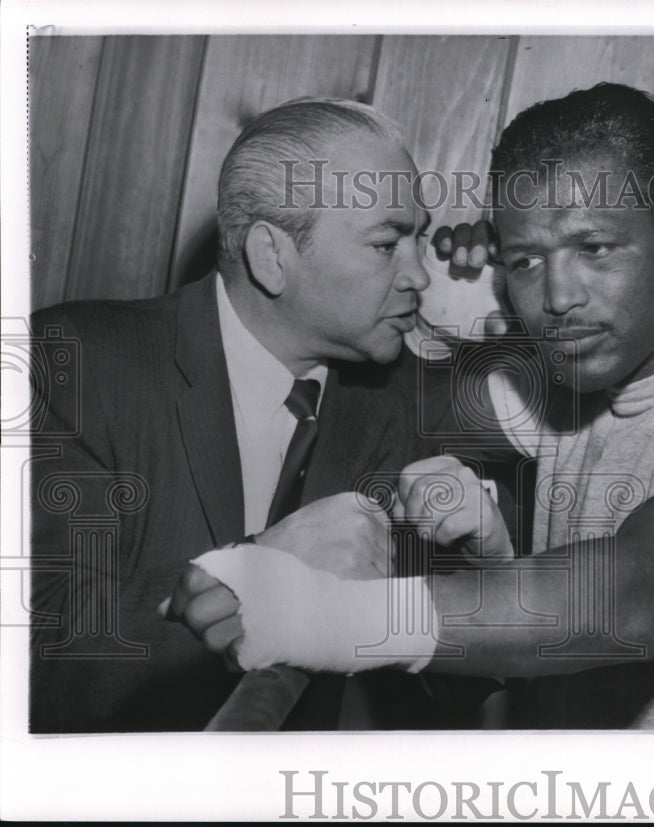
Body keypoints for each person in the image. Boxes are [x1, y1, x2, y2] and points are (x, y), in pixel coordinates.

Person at [167, 83, 654, 730]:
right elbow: (397, 386)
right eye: (526, 261)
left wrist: (324, 615)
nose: (558, 297)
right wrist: (442, 274)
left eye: (594, 247)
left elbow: (636, 598)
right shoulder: (567, 387)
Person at [29, 97, 435, 732]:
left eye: (421, 237)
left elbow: (437, 685)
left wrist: (481, 559)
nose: (420, 275)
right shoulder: (71, 367)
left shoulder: (398, 396)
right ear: (271, 257)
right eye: (388, 244)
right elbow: (37, 660)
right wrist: (262, 569)